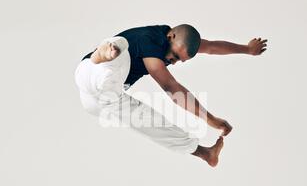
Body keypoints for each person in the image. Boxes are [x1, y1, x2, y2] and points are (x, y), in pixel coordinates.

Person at [74, 24, 267, 167]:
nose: (172, 62)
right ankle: (103, 54)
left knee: (147, 120)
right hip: (90, 71)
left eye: (179, 61)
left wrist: (247, 49)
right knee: (118, 54)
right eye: (174, 57)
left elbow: (212, 47)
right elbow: (171, 87)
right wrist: (211, 119)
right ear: (171, 35)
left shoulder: (176, 41)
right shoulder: (150, 41)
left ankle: (206, 154)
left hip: (101, 102)